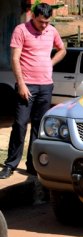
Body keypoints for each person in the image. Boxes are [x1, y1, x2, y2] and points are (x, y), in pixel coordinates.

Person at [0, 3, 66, 179]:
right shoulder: (21, 30)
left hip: (46, 86)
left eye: (47, 22)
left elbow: (62, 49)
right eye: (41, 22)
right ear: (33, 17)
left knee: (38, 126)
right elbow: (15, 58)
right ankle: (10, 164)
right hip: (27, 85)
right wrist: (21, 84)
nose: (44, 25)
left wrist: (49, 63)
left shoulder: (51, 31)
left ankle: (32, 164)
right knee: (20, 125)